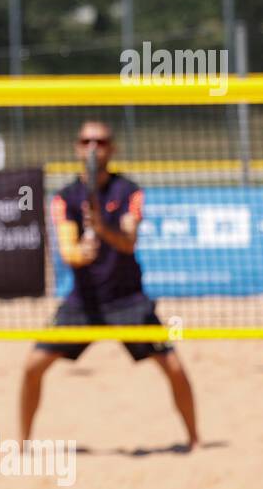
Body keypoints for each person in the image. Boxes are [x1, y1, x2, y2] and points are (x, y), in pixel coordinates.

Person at [18, 121, 198, 450]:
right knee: (33, 367)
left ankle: (194, 440)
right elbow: (68, 249)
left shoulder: (128, 191)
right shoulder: (66, 197)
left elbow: (129, 242)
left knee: (174, 367)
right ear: (77, 147)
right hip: (83, 302)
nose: (92, 147)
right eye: (86, 141)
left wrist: (103, 228)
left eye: (100, 142)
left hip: (127, 299)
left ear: (111, 149)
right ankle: (22, 443)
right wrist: (80, 253)